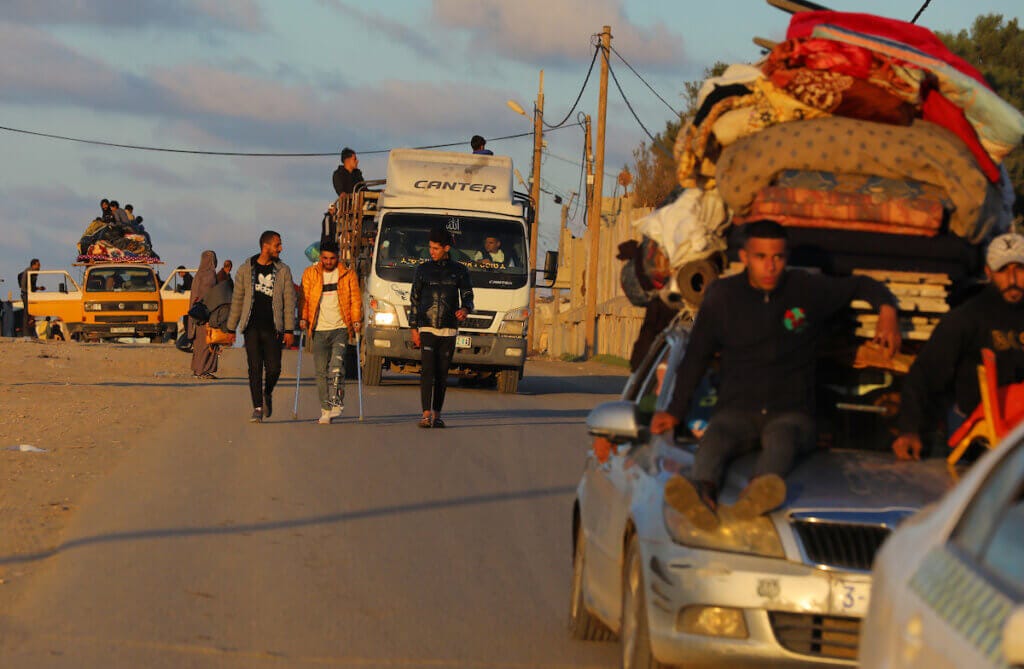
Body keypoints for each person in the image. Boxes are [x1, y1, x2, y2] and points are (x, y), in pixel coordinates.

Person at [649, 220, 901, 530]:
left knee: (781, 441)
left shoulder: (807, 290)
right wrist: (674, 411)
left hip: (791, 413)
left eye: (778, 257)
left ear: (786, 257)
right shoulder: (723, 297)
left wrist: (887, 312)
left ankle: (755, 497)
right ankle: (702, 495)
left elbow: (862, 285)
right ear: (745, 257)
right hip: (737, 411)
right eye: (761, 257)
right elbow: (696, 357)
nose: (770, 266)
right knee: (715, 440)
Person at [893, 232, 1024, 461]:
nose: (1012, 279)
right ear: (988, 273)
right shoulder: (968, 317)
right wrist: (909, 430)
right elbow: (925, 373)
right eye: (1003, 270)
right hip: (981, 441)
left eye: (1020, 269)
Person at [227, 230, 296, 423]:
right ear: (266, 247)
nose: (280, 248)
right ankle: (257, 407)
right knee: (254, 368)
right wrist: (231, 329)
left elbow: (289, 301)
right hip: (252, 327)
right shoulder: (245, 269)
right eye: (277, 245)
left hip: (274, 328)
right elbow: (238, 299)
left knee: (274, 368)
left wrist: (289, 330)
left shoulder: (283, 270)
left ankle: (267, 393)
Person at [409, 227, 474, 428]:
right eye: (430, 248)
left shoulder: (460, 271)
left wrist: (465, 309)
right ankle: (425, 413)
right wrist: (414, 328)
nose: (432, 252)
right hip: (427, 328)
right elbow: (414, 299)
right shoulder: (422, 270)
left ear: (446, 248)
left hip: (449, 330)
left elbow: (468, 296)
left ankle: (437, 414)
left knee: (442, 374)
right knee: (427, 371)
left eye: (436, 248)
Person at [300, 240, 363, 424]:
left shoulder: (347, 274)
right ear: (320, 257)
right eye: (325, 258)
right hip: (318, 329)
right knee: (320, 372)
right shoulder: (310, 274)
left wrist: (356, 320)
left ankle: (336, 403)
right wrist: (303, 318)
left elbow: (355, 299)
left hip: (340, 328)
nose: (328, 262)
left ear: (338, 257)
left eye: (332, 258)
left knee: (336, 367)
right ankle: (325, 409)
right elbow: (304, 299)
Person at [190, 250, 219, 379]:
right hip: (207, 315)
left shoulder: (198, 275)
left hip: (196, 314)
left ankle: (197, 369)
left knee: (199, 344)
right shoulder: (211, 275)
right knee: (208, 343)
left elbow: (194, 297)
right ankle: (204, 370)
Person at [17, 258, 43, 337]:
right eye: (38, 265)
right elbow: (24, 285)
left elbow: (32, 286)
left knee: (29, 313)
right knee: (26, 313)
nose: (39, 267)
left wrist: (38, 288)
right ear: (33, 265)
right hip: (26, 294)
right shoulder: (28, 272)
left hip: (29, 294)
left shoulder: (34, 273)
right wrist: (28, 293)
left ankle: (28, 333)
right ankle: (26, 333)